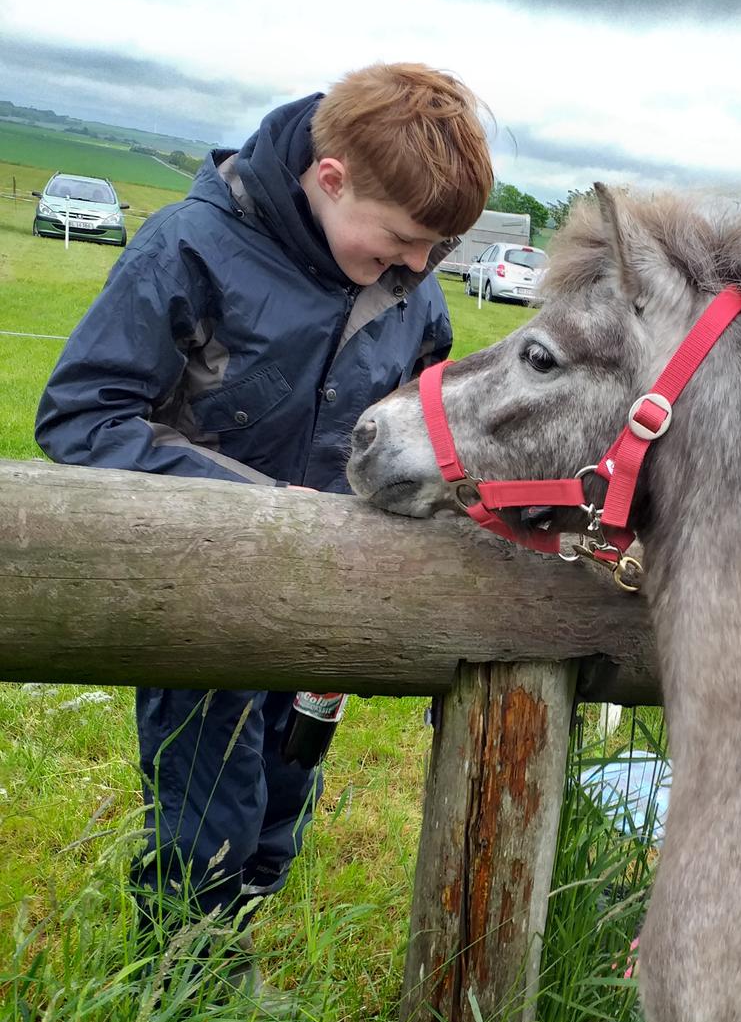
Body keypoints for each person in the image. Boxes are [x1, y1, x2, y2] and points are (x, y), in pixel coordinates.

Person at [35, 63, 493, 975]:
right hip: (203, 594)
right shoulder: (189, 249)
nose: (415, 265)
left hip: (328, 616)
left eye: (436, 250)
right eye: (402, 239)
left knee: (281, 814)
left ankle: (222, 964)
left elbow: (405, 435)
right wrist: (263, 514)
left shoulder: (415, 293)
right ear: (331, 179)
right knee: (206, 825)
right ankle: (178, 1015)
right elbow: (81, 417)